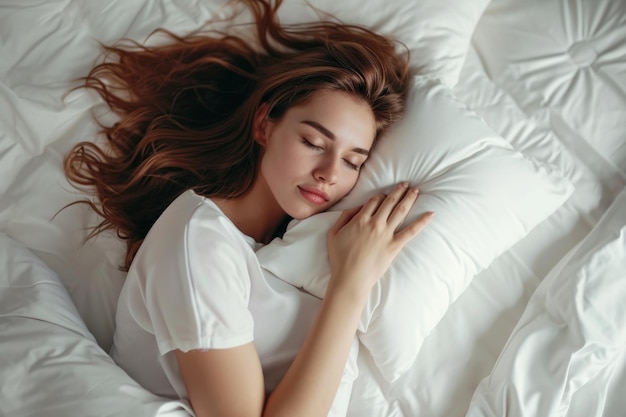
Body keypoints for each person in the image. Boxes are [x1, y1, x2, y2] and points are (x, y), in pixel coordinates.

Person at [64, 0, 433, 416]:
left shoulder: (286, 255)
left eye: (352, 161)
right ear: (264, 125)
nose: (330, 172)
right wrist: (351, 284)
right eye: (313, 142)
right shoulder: (198, 240)